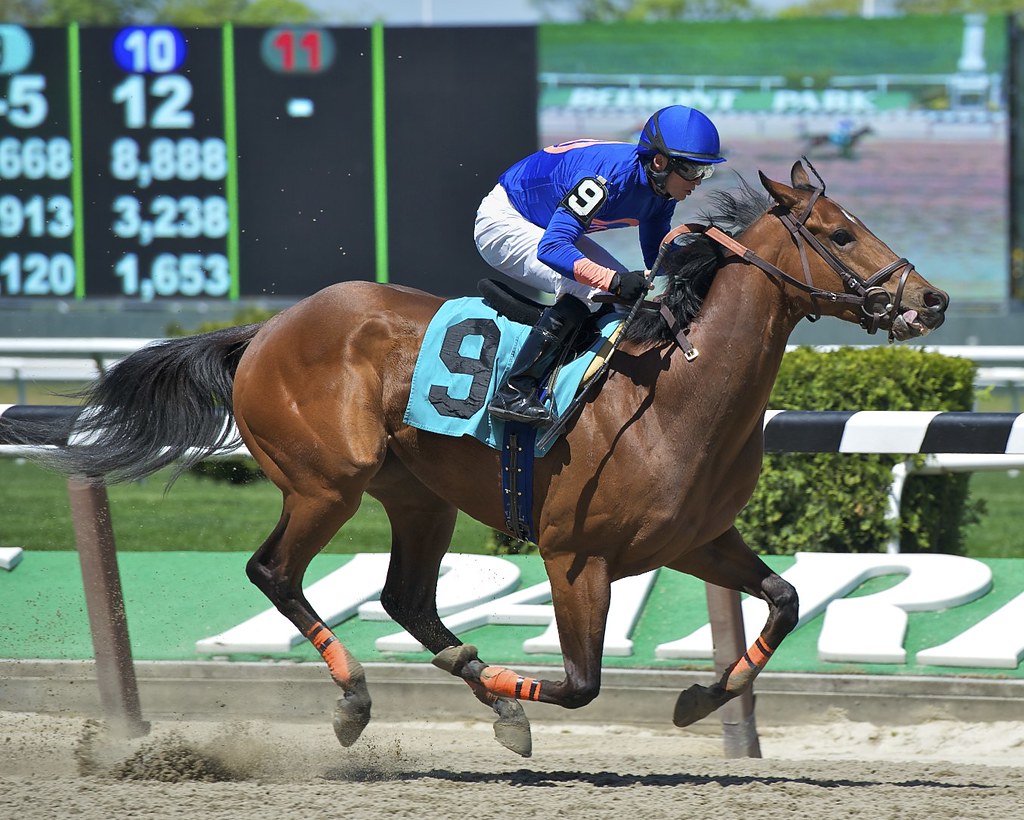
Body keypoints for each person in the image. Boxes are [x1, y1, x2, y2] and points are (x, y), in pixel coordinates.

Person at [475, 104, 726, 426]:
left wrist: (708, 265)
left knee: (623, 301)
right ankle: (513, 391)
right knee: (588, 287)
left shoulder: (661, 190)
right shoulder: (605, 179)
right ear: (660, 162)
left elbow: (657, 254)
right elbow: (552, 249)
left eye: (706, 172)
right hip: (506, 220)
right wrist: (613, 281)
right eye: (693, 171)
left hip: (544, 225)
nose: (699, 181)